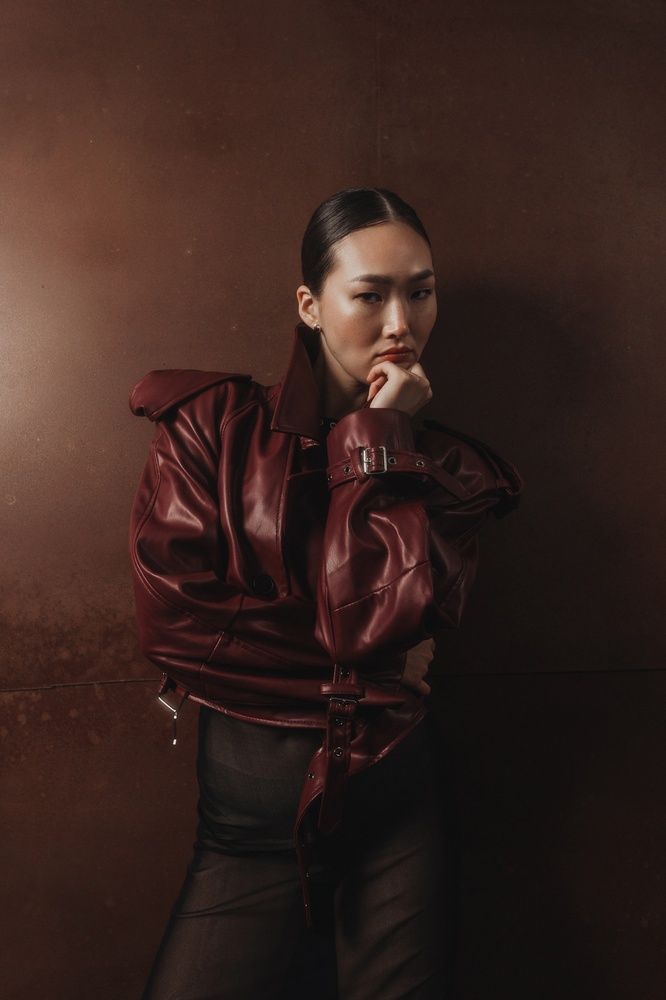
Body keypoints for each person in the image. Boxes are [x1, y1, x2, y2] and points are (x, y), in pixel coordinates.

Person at [128, 186, 524, 999]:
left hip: (397, 812)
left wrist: (380, 440)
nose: (401, 323)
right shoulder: (211, 428)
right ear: (311, 306)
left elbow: (363, 621)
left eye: (420, 292)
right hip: (246, 832)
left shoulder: (452, 474)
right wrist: (373, 672)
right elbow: (176, 630)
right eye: (370, 295)